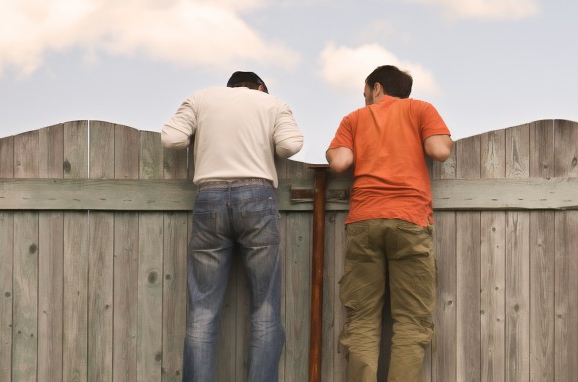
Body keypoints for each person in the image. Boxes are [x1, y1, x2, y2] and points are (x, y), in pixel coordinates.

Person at [161, 71, 304, 382]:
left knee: (202, 310)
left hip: (209, 196)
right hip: (257, 196)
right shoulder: (273, 103)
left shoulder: (200, 98)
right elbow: (289, 146)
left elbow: (172, 139)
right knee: (265, 309)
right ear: (261, 88)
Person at [326, 65, 452, 382]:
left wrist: (336, 147)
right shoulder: (421, 109)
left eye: (365, 91)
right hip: (410, 220)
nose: (364, 97)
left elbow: (339, 161)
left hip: (365, 221)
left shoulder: (353, 119)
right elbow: (438, 150)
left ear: (377, 88)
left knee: (363, 318)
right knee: (411, 320)